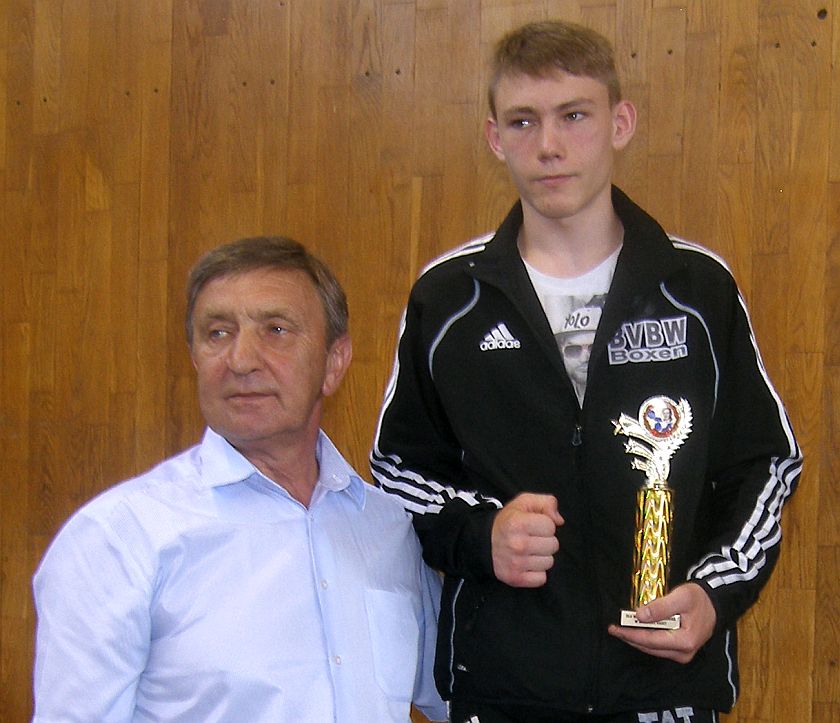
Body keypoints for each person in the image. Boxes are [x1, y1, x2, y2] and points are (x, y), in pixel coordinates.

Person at [371, 20, 802, 723]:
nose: (549, 145)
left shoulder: (696, 290)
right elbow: (399, 473)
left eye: (574, 115)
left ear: (619, 123)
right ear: (495, 138)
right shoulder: (450, 300)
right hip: (507, 691)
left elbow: (765, 464)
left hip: (663, 688)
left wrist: (714, 592)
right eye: (523, 121)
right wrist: (483, 534)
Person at [32, 236, 448, 723]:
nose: (242, 359)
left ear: (334, 362)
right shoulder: (118, 540)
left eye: (276, 330)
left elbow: (455, 696)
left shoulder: (388, 530)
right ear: (194, 357)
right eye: (218, 333)